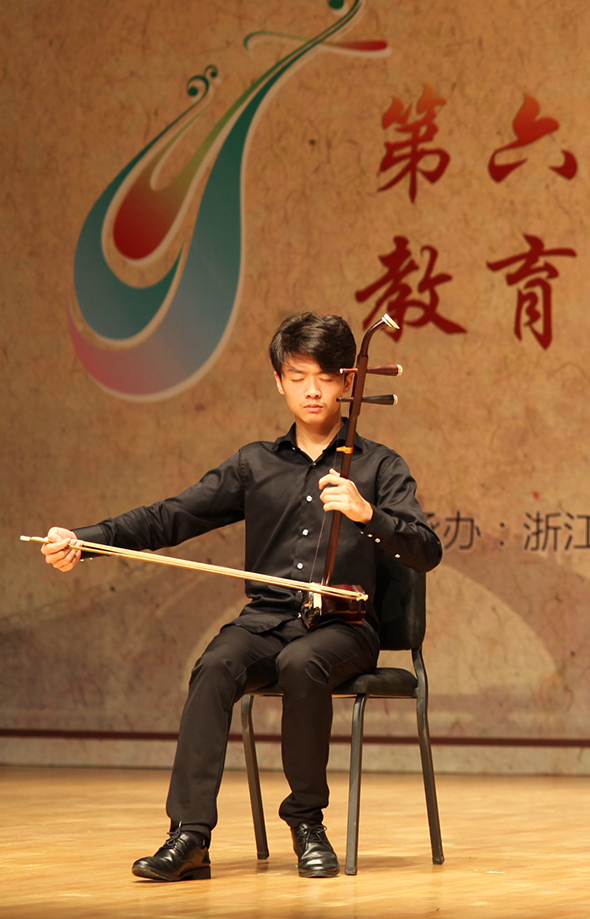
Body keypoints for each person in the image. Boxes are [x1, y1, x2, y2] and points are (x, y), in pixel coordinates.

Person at [37, 313, 442, 882]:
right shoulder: (256, 463)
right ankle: (190, 835)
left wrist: (367, 512)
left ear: (348, 381)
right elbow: (172, 516)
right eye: (297, 376)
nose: (311, 390)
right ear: (279, 381)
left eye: (325, 377)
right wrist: (87, 541)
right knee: (215, 665)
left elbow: (426, 549)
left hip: (344, 628)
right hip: (266, 621)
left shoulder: (379, 466)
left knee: (303, 662)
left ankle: (307, 823)